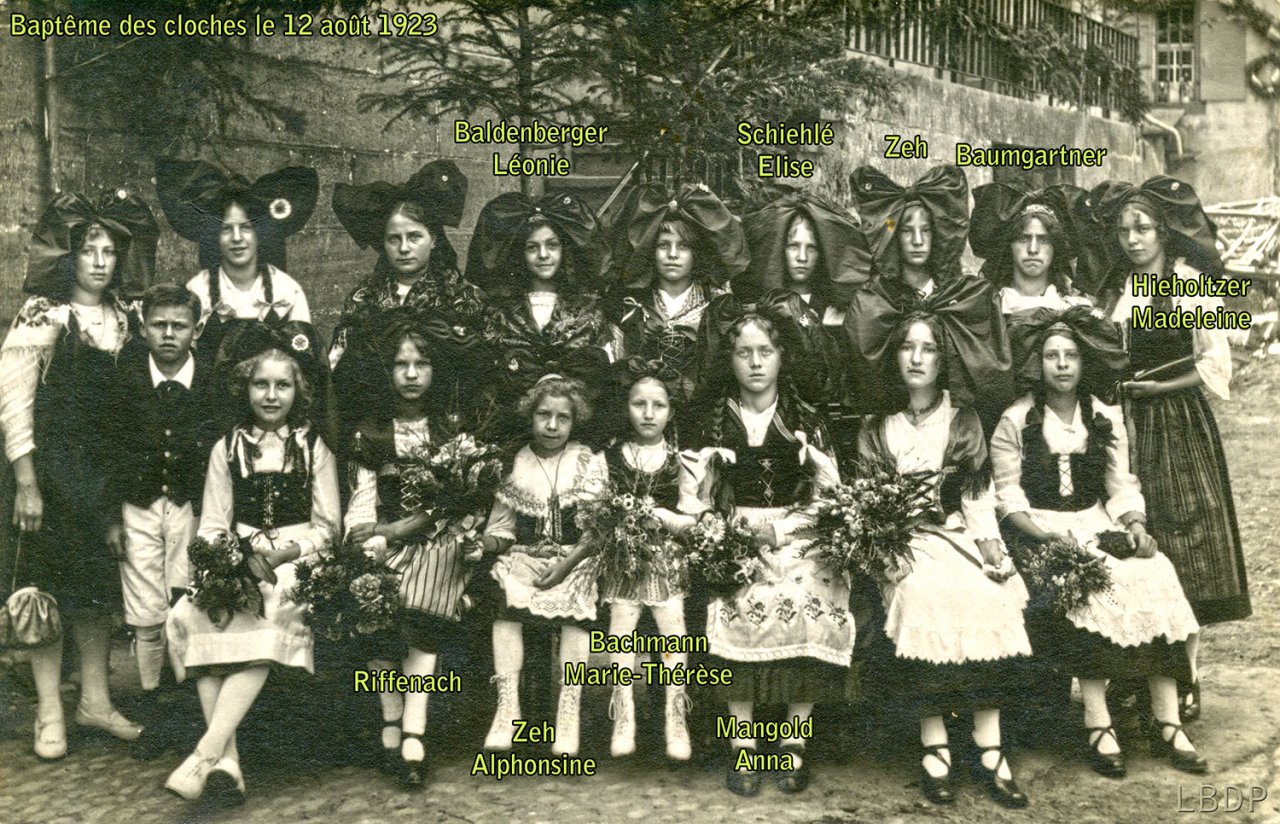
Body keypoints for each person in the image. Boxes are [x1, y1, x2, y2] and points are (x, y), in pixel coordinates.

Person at [991, 307, 1204, 776]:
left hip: (1094, 519)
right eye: (1051, 356)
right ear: (1037, 363)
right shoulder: (1017, 419)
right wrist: (1047, 536)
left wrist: (1135, 525)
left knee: (1154, 573)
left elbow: (1119, 484)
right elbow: (1007, 495)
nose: (1062, 364)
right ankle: (1098, 720)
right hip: (1036, 529)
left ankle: (1167, 718)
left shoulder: (1104, 416)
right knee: (1090, 584)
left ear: (1084, 361)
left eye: (1071, 355)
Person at [851, 298, 1032, 809]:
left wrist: (991, 549)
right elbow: (869, 503)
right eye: (907, 347)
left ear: (942, 359)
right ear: (894, 356)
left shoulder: (962, 419)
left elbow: (976, 498)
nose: (916, 358)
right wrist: (886, 548)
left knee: (988, 595)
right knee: (923, 596)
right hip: (900, 542)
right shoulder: (878, 424)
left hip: (954, 535)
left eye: (928, 349)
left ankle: (990, 744)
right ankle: (934, 742)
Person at [1, 189, 158, 761]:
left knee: (94, 590)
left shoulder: (127, 316)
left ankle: (95, 701)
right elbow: (13, 400)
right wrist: (26, 481)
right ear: (69, 256)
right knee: (45, 591)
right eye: (89, 250)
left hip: (102, 477)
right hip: (50, 472)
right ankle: (49, 709)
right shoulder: (43, 314)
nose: (99, 261)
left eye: (109, 251)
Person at [1086, 175, 1249, 720]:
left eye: (1143, 228)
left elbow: (1213, 364)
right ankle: (1135, 674)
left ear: (1163, 231)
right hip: (1119, 426)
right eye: (1124, 230)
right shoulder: (1113, 291)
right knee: (1131, 541)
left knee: (1186, 546)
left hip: (1176, 423)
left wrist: (1158, 389)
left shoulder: (1186, 285)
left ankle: (1186, 677)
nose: (1134, 239)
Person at [164, 321, 339, 803]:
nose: (271, 395)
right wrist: (228, 560)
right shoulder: (228, 448)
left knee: (273, 607)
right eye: (261, 384)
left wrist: (284, 554)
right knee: (198, 612)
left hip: (298, 556)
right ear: (246, 388)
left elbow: (329, 528)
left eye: (282, 385)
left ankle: (205, 753)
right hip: (239, 554)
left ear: (298, 391)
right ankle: (228, 767)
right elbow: (212, 524)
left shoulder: (312, 448)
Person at [683, 311, 854, 797]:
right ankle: (742, 742)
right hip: (733, 531)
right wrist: (723, 532)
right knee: (735, 600)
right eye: (744, 353)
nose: (755, 363)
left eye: (765, 352)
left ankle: (794, 741)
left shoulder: (806, 419)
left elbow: (830, 498)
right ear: (730, 359)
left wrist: (780, 530)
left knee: (808, 597)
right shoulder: (712, 420)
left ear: (782, 357)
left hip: (798, 532)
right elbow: (694, 497)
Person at [346, 310, 479, 789]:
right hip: (385, 538)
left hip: (438, 538)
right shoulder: (370, 433)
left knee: (427, 586)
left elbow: (460, 502)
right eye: (400, 365)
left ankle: (414, 727)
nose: (411, 374)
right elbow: (362, 505)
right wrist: (370, 535)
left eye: (421, 364)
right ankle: (391, 712)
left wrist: (399, 529)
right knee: (366, 584)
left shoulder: (451, 430)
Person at [101, 282, 220, 758]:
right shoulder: (125, 380)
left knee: (185, 600)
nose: (169, 334)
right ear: (142, 327)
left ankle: (187, 703)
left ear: (196, 330)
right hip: (139, 507)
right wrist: (111, 517)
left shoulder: (210, 382)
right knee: (146, 612)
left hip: (190, 508)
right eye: (159, 325)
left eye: (179, 326)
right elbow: (109, 454)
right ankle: (154, 703)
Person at [475, 375, 607, 757]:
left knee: (577, 608)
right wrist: (483, 543)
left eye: (563, 418)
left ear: (574, 421)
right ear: (530, 415)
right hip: (525, 557)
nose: (552, 425)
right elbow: (502, 530)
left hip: (575, 558)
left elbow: (597, 531)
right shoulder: (515, 463)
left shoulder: (587, 461)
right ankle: (507, 707)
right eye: (543, 415)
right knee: (506, 598)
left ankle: (568, 710)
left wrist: (566, 565)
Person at [846, 165, 1011, 427]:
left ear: (937, 235)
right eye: (906, 230)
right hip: (896, 424)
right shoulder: (876, 299)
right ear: (894, 235)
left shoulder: (963, 295)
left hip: (955, 425)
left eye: (926, 230)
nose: (917, 240)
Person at [597, 361, 698, 760]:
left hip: (665, 558)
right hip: (623, 557)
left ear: (671, 411)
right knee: (622, 627)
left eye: (659, 405)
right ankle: (624, 712)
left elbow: (693, 518)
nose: (649, 414)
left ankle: (676, 715)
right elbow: (596, 510)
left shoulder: (680, 460)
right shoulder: (610, 458)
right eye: (639, 404)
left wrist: (665, 517)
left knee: (673, 628)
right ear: (626, 407)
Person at [468, 190, 616, 441]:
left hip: (577, 437)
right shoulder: (498, 312)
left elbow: (600, 381)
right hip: (511, 434)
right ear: (520, 253)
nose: (543, 255)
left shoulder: (589, 310)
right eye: (532, 247)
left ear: (564, 250)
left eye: (552, 245)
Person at [608, 183, 748, 424]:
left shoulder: (717, 306)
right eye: (663, 245)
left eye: (683, 246)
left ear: (696, 253)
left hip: (702, 420)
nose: (672, 255)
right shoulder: (632, 305)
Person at [328, 160, 484, 376]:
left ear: (433, 240)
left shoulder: (462, 296)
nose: (403, 248)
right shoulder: (363, 298)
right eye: (394, 239)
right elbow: (338, 365)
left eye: (414, 237)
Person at [155, 157, 318, 359]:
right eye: (227, 229)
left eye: (246, 228)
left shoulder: (287, 291)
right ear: (216, 235)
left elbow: (303, 355)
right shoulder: (198, 290)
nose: (237, 238)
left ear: (258, 233)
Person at [738, 189, 869, 413]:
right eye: (793, 246)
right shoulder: (763, 306)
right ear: (781, 249)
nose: (802, 257)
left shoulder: (836, 309)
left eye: (812, 248)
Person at [969, 183, 1094, 314]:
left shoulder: (1077, 310)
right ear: (1009, 245)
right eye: (1023, 239)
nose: (1033, 249)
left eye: (1044, 240)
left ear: (1055, 247)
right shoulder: (985, 307)